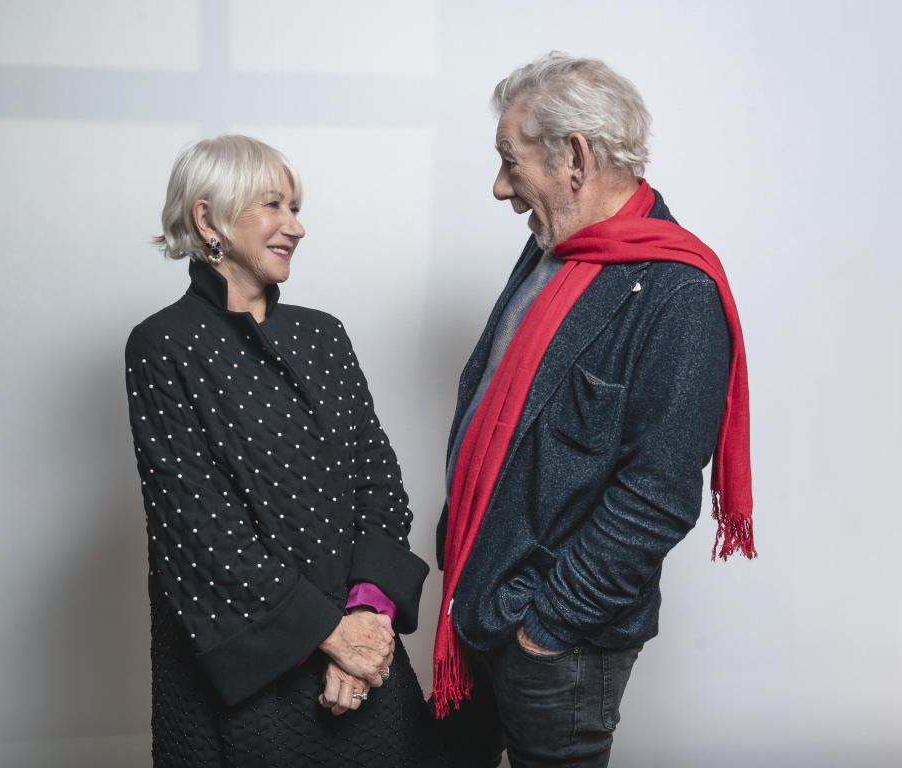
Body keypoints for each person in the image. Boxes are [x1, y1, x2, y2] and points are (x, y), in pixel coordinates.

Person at [433, 53, 755, 767]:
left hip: (555, 646)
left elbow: (658, 496)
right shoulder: (550, 249)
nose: (498, 188)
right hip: (474, 598)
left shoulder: (679, 293)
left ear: (574, 158)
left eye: (509, 161)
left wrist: (544, 627)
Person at [126, 135, 447, 767]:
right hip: (246, 664)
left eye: (296, 207)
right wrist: (332, 636)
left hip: (361, 653)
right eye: (274, 205)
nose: (296, 227)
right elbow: (198, 527)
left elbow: (379, 484)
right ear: (207, 217)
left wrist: (370, 620)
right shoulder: (163, 345)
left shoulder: (323, 334)